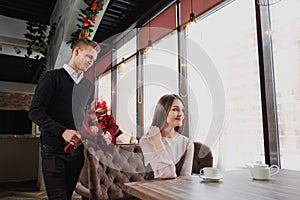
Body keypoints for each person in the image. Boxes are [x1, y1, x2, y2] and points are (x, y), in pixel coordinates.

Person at [29, 38, 100, 200]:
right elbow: (35, 112)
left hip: (77, 152)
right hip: (53, 151)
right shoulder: (51, 78)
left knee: (67, 195)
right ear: (76, 52)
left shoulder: (89, 86)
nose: (91, 62)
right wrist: (62, 131)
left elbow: (87, 117)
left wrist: (94, 126)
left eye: (94, 60)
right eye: (89, 56)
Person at [139, 94, 194, 179]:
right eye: (175, 109)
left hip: (179, 191)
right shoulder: (147, 141)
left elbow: (186, 179)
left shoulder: (187, 143)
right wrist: (157, 141)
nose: (180, 114)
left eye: (182, 110)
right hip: (153, 191)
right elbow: (167, 174)